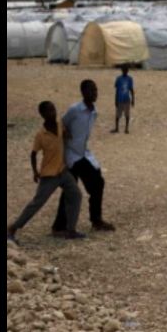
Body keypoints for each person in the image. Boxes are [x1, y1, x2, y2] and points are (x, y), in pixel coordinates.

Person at [7, 101, 85, 245]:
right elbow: (33, 154)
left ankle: (71, 230)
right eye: (48, 111)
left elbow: (66, 135)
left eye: (53, 109)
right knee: (37, 203)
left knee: (76, 195)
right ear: (42, 114)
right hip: (49, 175)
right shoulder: (40, 135)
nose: (52, 113)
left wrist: (69, 135)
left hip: (63, 171)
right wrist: (35, 171)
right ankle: (12, 228)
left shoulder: (60, 126)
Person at [52, 80, 116, 234]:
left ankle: (61, 226)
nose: (94, 93)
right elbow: (61, 123)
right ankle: (95, 220)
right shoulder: (75, 109)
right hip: (71, 154)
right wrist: (64, 131)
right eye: (91, 91)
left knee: (71, 188)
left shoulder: (94, 112)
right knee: (96, 183)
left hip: (83, 152)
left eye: (96, 90)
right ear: (83, 92)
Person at [111, 64, 135, 134]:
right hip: (120, 99)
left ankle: (126, 128)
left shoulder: (129, 79)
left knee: (127, 115)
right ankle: (117, 128)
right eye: (124, 70)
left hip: (126, 99)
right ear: (122, 70)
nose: (125, 71)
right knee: (118, 115)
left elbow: (131, 90)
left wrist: (133, 99)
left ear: (127, 71)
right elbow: (116, 90)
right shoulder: (118, 79)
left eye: (126, 70)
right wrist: (115, 100)